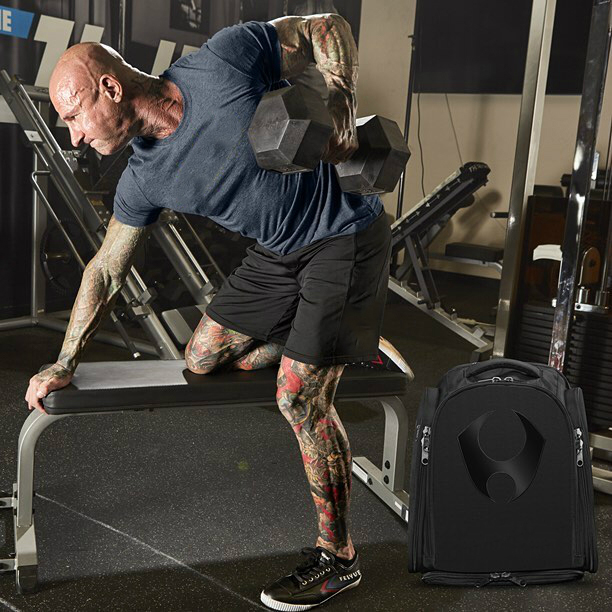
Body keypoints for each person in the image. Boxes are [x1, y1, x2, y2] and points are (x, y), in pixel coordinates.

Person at [25, 14, 398, 610]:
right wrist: (63, 360)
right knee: (201, 359)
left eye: (73, 115)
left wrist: (341, 97)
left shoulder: (222, 61)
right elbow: (106, 268)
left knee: (296, 397)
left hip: (342, 232)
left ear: (111, 89)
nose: (73, 136)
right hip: (276, 254)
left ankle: (338, 557)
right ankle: (343, 340)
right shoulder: (142, 179)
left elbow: (327, 24)